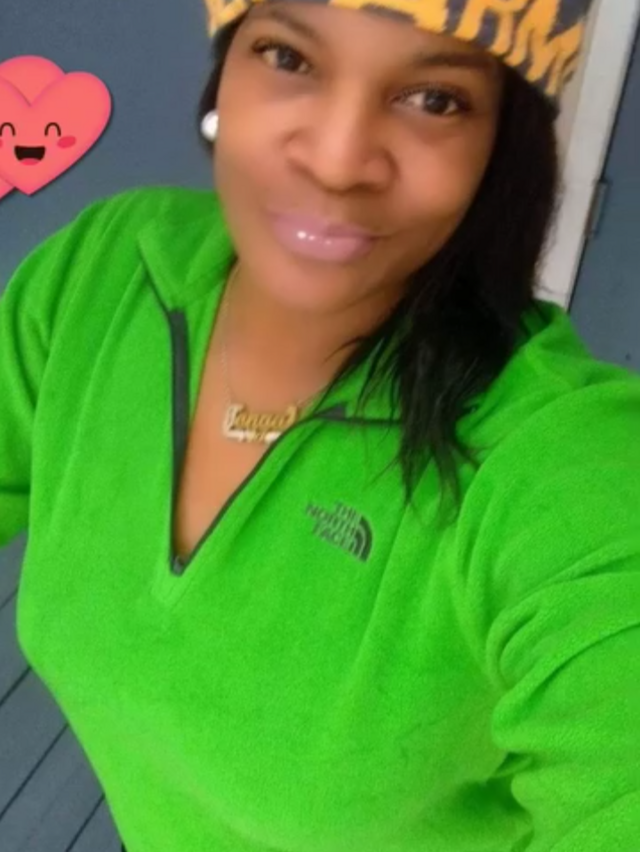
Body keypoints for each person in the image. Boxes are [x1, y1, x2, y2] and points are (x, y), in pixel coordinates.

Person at [1, 0, 639, 850]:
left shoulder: (557, 463)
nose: (337, 161)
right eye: (288, 58)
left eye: (434, 99)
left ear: (500, 143)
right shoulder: (107, 270)